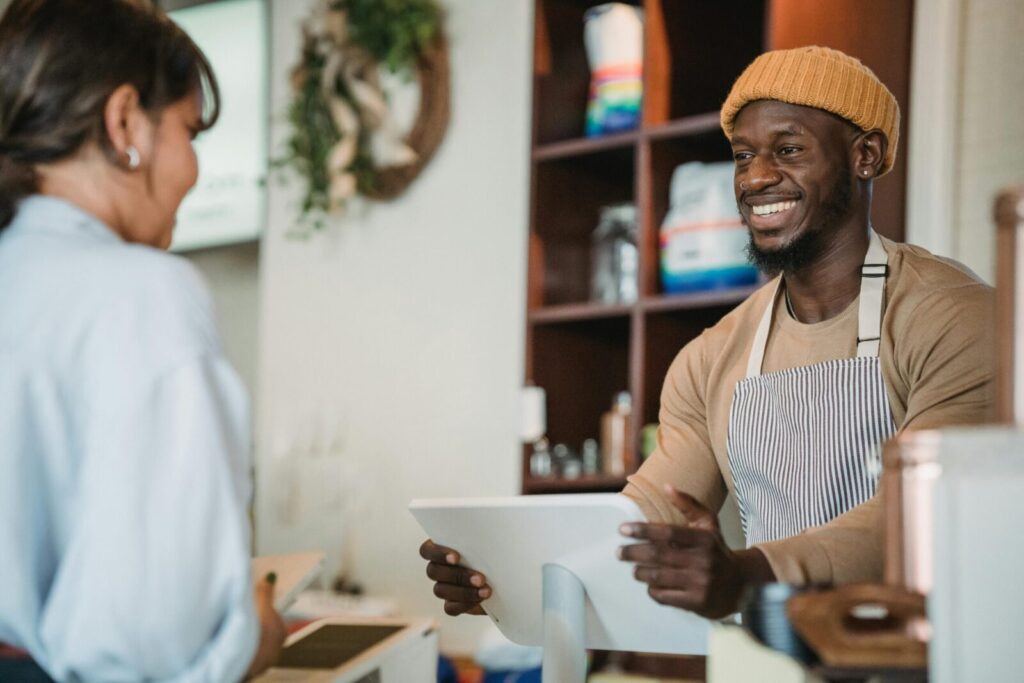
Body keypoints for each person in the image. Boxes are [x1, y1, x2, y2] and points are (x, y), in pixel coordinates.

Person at [421, 46, 994, 620]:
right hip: (769, 663)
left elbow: (920, 514)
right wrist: (511, 573)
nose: (757, 178)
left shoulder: (954, 318)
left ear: (864, 155)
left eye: (788, 149)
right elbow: (648, 513)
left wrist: (749, 574)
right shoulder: (713, 355)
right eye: (744, 156)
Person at [0, 1, 285, 680]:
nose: (193, 170)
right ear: (125, 121)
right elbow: (147, 652)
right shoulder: (143, 294)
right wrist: (253, 639)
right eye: (189, 131)